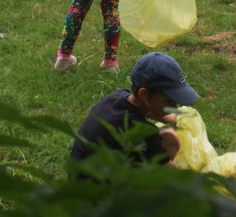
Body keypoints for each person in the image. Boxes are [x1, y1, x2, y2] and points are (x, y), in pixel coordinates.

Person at [70, 52, 200, 165]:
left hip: (84, 175)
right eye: (169, 101)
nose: (174, 107)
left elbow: (149, 111)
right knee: (168, 142)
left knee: (169, 136)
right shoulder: (141, 133)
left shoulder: (120, 96)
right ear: (144, 95)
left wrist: (174, 119)